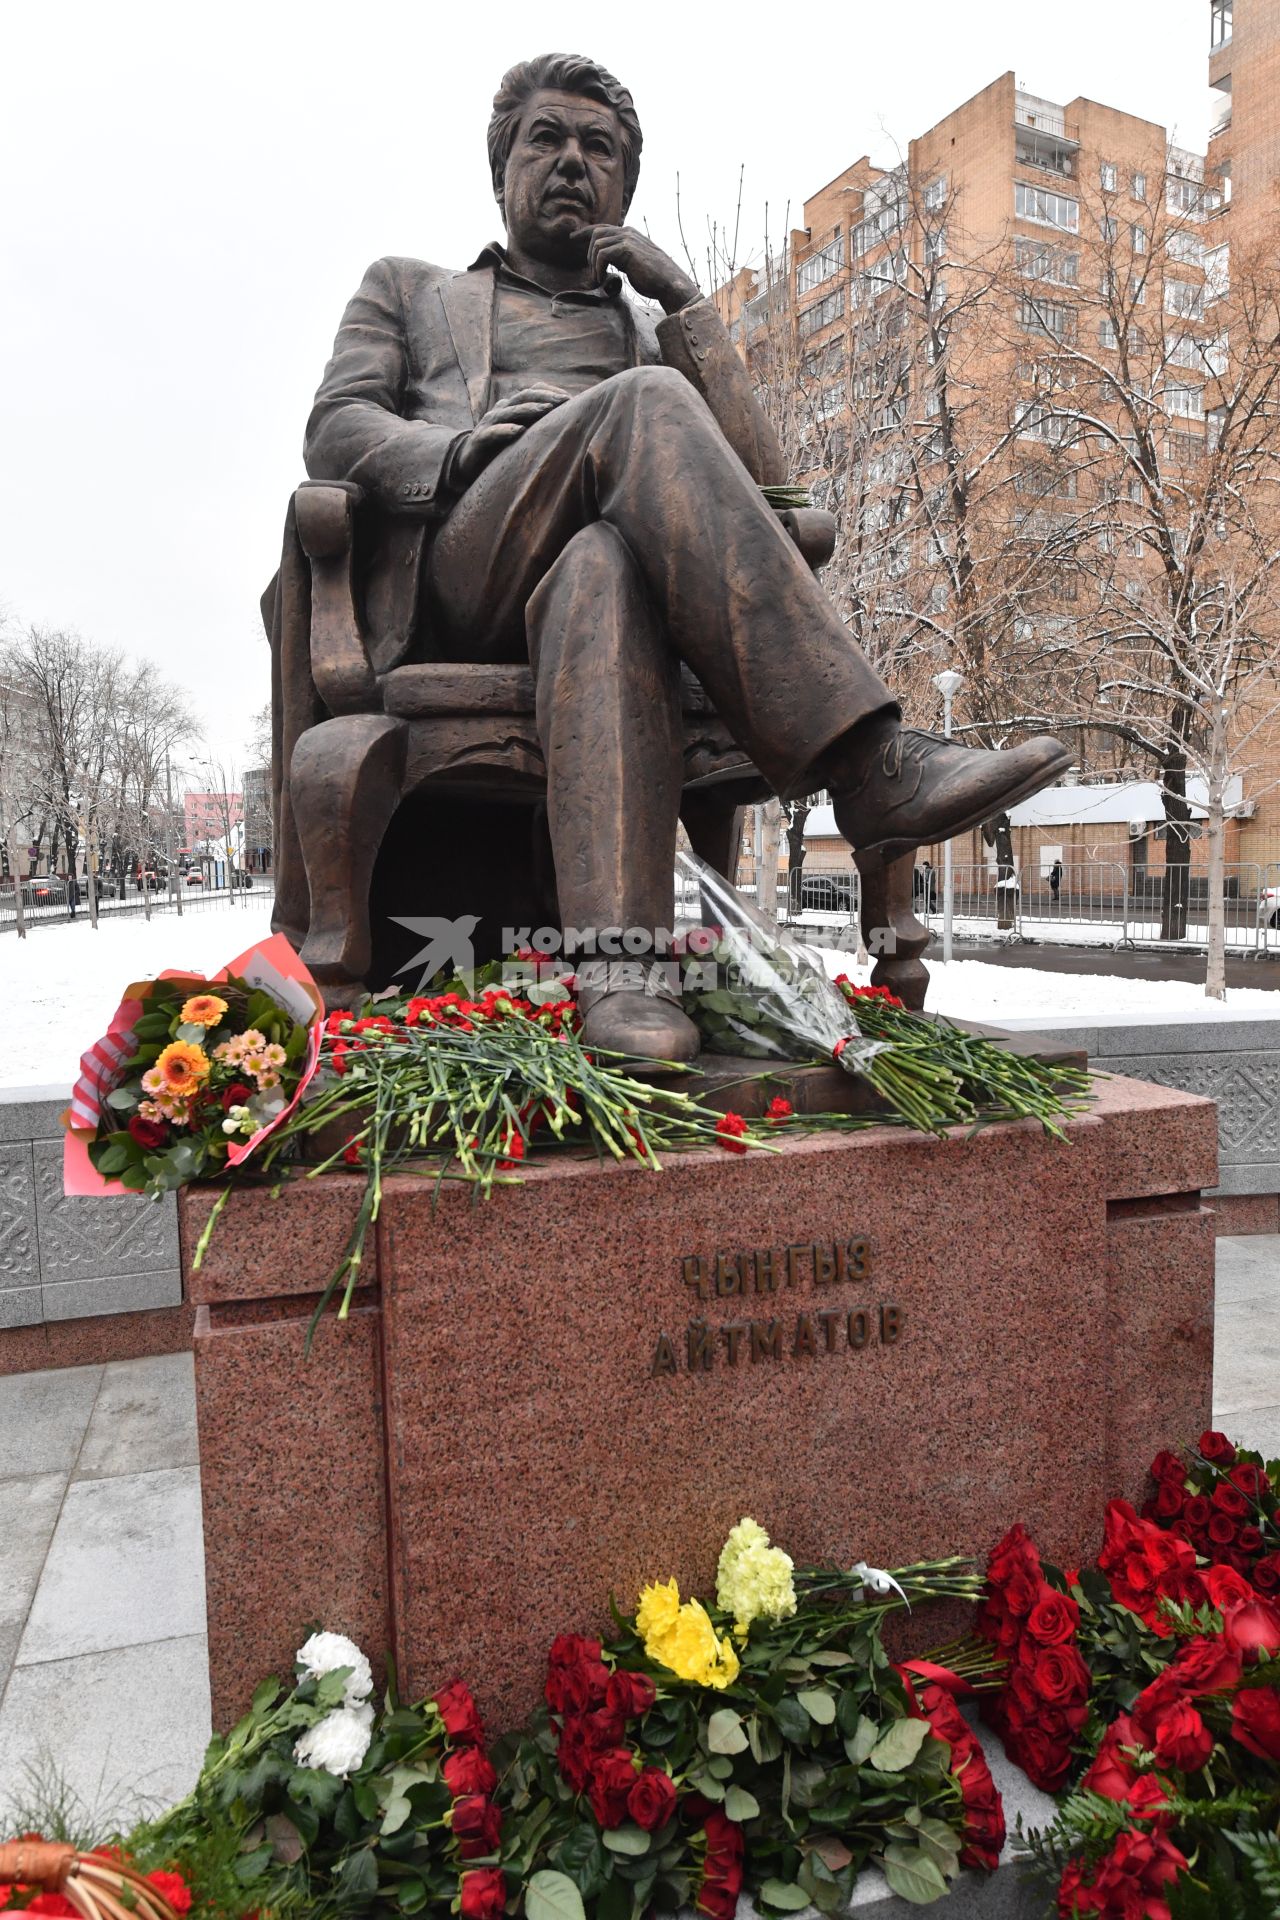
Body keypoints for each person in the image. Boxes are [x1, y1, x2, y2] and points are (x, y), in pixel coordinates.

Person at [297, 52, 1070, 1058]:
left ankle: (623, 981)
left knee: (602, 568)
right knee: (645, 407)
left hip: (599, 593)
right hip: (467, 564)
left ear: (623, 184)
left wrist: (689, 307)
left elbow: (775, 489)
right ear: (502, 169)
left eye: (599, 148)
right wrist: (454, 450)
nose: (572, 160)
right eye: (547, 140)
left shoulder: (651, 333)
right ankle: (867, 765)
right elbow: (335, 426)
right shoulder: (410, 289)